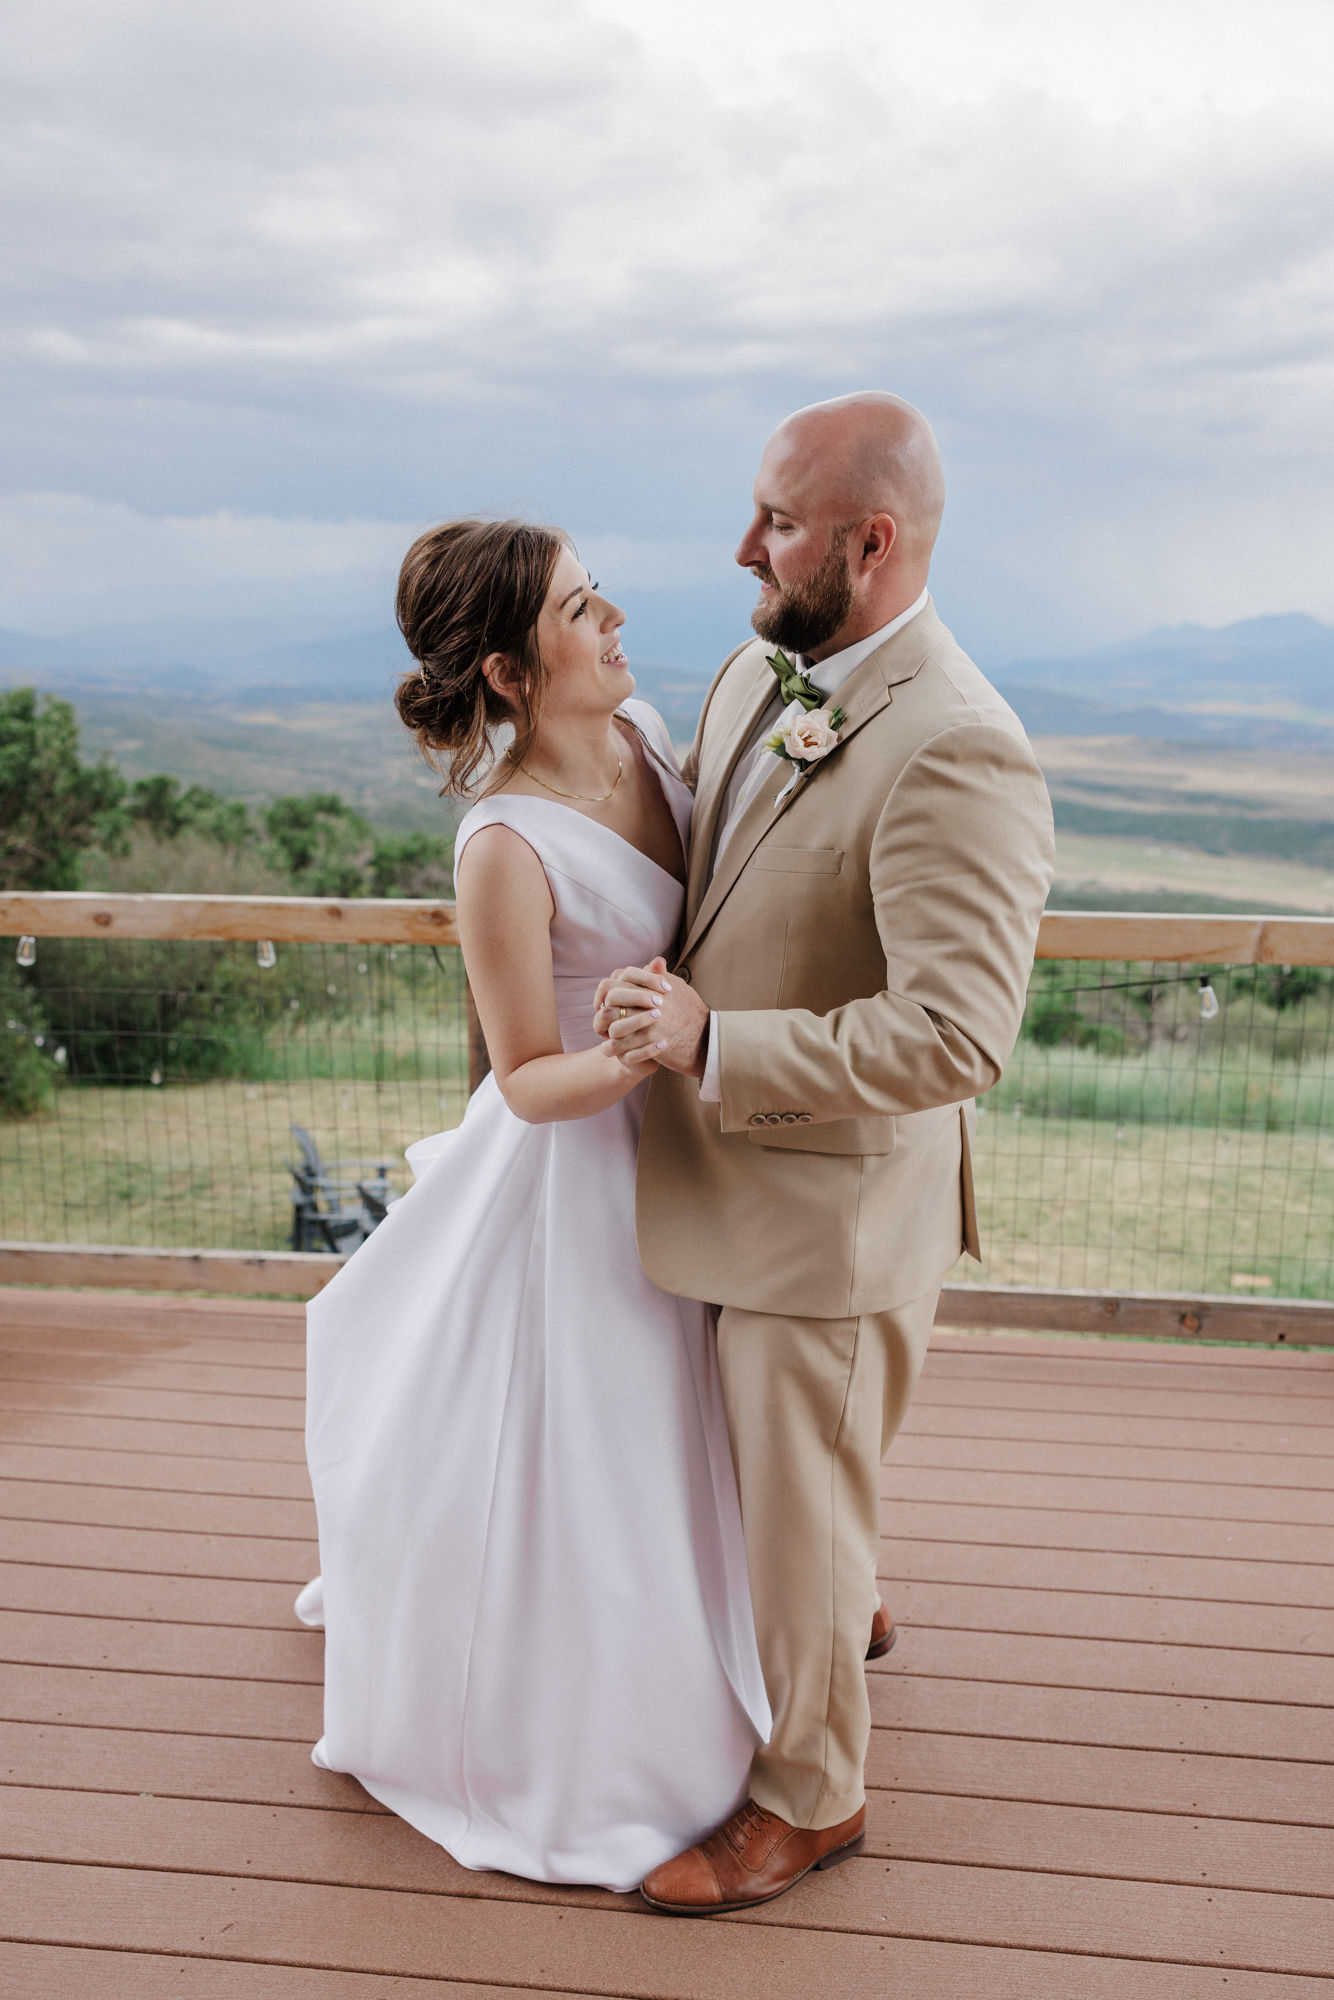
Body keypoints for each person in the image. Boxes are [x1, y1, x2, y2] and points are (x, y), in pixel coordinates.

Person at [596, 392, 1055, 1914]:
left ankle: (809, 1798)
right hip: (709, 1176)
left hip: (824, 1213)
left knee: (792, 1509)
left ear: (870, 542)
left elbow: (950, 1040)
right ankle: (838, 1598)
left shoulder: (958, 748)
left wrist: (712, 1046)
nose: (742, 547)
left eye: (777, 521)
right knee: (792, 1495)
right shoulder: (753, 670)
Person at [295, 517, 770, 1893]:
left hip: (699, 1143)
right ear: (508, 669)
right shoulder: (502, 849)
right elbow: (522, 1077)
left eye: (598, 593)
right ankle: (602, 1730)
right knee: (608, 1465)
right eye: (578, 608)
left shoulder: (649, 738)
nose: (614, 617)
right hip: (580, 1178)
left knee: (717, 1433)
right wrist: (639, 1045)